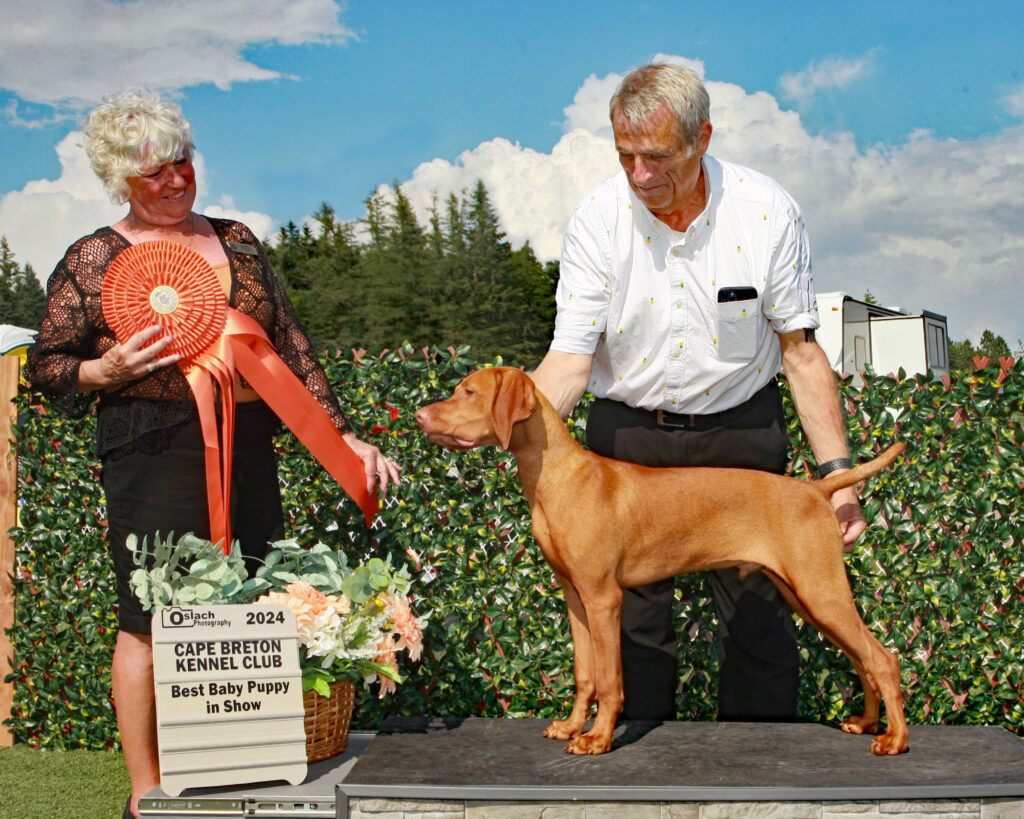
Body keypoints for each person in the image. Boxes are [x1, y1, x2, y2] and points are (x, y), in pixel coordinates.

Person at [25, 90, 401, 819]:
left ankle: (245, 772)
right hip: (150, 448)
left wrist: (343, 431)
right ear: (119, 181)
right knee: (146, 618)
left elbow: (289, 345)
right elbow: (48, 366)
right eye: (153, 173)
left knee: (258, 603)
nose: (174, 180)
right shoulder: (94, 257)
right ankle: (145, 789)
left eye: (181, 162)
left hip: (248, 447)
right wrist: (105, 371)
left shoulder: (238, 240)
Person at [531, 63, 866, 726]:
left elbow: (800, 355)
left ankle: (765, 777)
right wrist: (504, 425)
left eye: (657, 156)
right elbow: (568, 363)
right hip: (629, 442)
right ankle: (634, 777)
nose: (639, 174)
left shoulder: (767, 211)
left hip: (739, 437)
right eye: (624, 154)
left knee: (761, 630)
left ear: (702, 138)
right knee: (632, 630)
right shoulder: (599, 218)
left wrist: (839, 477)